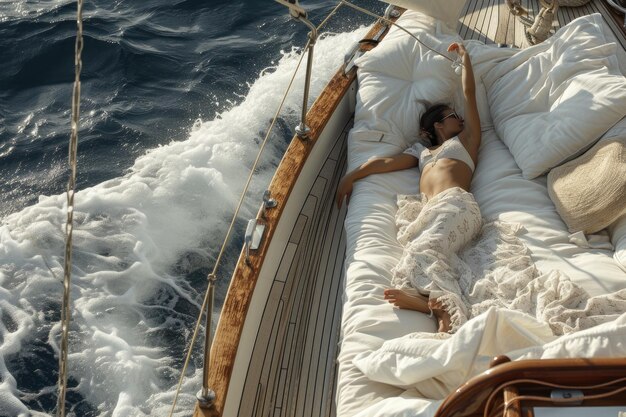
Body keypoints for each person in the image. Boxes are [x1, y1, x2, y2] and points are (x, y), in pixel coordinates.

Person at [335, 42, 481, 333]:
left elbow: (469, 94)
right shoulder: (421, 153)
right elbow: (386, 161)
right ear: (439, 125)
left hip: (457, 204)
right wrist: (351, 177)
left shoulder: (466, 142)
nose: (461, 118)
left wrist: (465, 59)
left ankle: (441, 310)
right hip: (430, 211)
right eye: (454, 115)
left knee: (424, 250)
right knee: (410, 259)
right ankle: (434, 302)